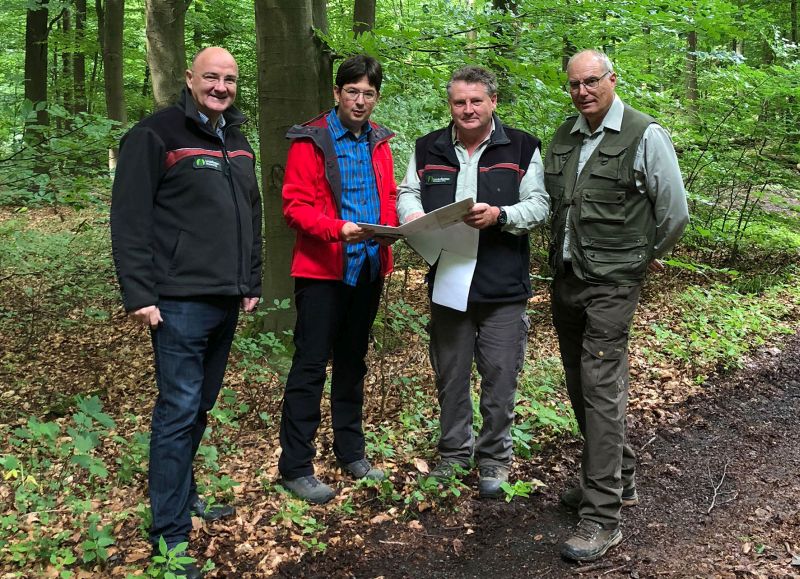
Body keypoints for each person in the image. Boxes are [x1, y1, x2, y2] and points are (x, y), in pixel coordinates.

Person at [110, 47, 262, 577]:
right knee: (177, 412)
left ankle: (183, 498)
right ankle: (170, 540)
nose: (221, 86)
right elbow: (129, 219)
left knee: (197, 409)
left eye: (230, 79)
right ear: (189, 78)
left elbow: (251, 210)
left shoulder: (237, 139)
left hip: (226, 297)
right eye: (211, 77)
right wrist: (140, 293)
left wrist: (252, 278)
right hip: (177, 302)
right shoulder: (156, 134)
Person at [545, 49, 689, 562]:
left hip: (613, 284)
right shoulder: (564, 135)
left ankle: (602, 517)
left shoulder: (644, 133)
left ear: (611, 80)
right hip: (567, 280)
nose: (583, 91)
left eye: (591, 82)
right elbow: (552, 204)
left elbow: (673, 212)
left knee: (601, 388)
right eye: (574, 85)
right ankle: (618, 476)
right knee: (580, 384)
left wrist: (637, 260)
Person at [397, 66, 550, 499]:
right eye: (459, 102)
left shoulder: (521, 147)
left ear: (493, 102)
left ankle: (495, 461)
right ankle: (452, 455)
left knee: (500, 378)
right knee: (451, 374)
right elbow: (407, 191)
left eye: (475, 101)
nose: (467, 109)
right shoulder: (429, 147)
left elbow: (540, 204)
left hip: (502, 285)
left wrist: (501, 216)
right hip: (448, 279)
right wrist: (411, 216)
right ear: (450, 105)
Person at [277, 55, 398, 504]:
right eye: (352, 92)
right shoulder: (312, 140)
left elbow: (387, 195)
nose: (360, 101)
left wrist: (394, 228)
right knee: (310, 366)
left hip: (368, 268)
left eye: (368, 93)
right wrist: (336, 229)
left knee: (353, 361)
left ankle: (351, 452)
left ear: (376, 97)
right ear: (337, 93)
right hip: (322, 271)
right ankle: (295, 466)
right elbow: (294, 206)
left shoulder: (380, 142)